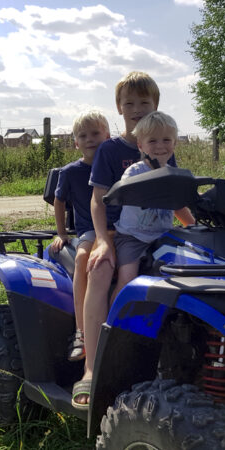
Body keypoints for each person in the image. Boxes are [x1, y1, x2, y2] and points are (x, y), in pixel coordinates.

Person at [72, 71, 177, 409]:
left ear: (155, 105)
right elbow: (97, 200)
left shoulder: (162, 146)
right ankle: (91, 365)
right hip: (116, 230)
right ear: (118, 108)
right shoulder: (109, 151)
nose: (136, 108)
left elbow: (175, 197)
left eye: (144, 102)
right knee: (100, 269)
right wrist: (102, 241)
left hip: (154, 231)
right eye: (128, 102)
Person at [112, 111, 194, 297]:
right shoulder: (135, 172)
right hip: (133, 237)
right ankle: (113, 324)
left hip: (163, 236)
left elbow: (179, 206)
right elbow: (127, 190)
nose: (160, 146)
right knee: (128, 279)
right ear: (141, 145)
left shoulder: (173, 174)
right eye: (152, 141)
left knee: (185, 272)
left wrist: (194, 227)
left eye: (166, 140)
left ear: (175, 143)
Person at [50, 111, 110, 363]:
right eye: (83, 136)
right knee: (83, 259)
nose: (90, 139)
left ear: (107, 136)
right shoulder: (70, 171)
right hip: (88, 230)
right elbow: (59, 201)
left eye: (96, 133)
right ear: (76, 142)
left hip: (119, 228)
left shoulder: (114, 166)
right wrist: (62, 233)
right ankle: (81, 332)